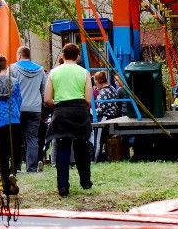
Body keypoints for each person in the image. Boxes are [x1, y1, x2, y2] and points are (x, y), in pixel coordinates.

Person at [45, 42, 92, 197]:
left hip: (61, 112)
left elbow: (47, 99)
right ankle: (85, 181)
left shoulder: (53, 73)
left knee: (62, 148)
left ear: (63, 55)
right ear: (78, 57)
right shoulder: (84, 72)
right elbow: (88, 100)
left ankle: (63, 186)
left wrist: (57, 108)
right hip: (79, 111)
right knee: (82, 147)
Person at [0, 55, 22, 195]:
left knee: (2, 154)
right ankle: (13, 173)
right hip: (13, 119)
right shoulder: (14, 82)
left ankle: (6, 187)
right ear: (6, 66)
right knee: (15, 151)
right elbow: (19, 100)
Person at [10, 46, 45, 173]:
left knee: (16, 138)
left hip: (17, 108)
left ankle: (16, 167)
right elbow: (43, 91)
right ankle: (32, 167)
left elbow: (10, 88)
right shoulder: (40, 70)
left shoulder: (13, 68)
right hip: (35, 109)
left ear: (19, 55)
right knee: (32, 138)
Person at [92, 71, 122, 162]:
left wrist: (92, 112)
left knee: (98, 140)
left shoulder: (103, 92)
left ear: (98, 81)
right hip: (113, 116)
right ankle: (104, 156)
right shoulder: (112, 88)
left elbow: (101, 108)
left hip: (104, 117)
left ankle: (95, 158)